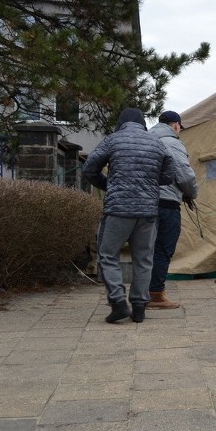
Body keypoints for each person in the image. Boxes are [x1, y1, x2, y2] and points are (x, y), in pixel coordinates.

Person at [83, 108, 174, 324]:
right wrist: (147, 186)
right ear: (143, 122)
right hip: (148, 211)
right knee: (144, 259)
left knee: (107, 254)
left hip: (118, 210)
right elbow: (169, 175)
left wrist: (109, 186)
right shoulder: (156, 143)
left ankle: (118, 303)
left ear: (121, 122)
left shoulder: (113, 140)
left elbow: (89, 168)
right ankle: (140, 307)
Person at [147, 111, 199, 309]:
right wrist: (191, 194)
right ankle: (155, 295)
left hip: (143, 202)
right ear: (176, 125)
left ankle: (139, 294)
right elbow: (185, 176)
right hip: (166, 203)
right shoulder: (171, 142)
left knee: (145, 250)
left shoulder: (146, 139)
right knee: (162, 249)